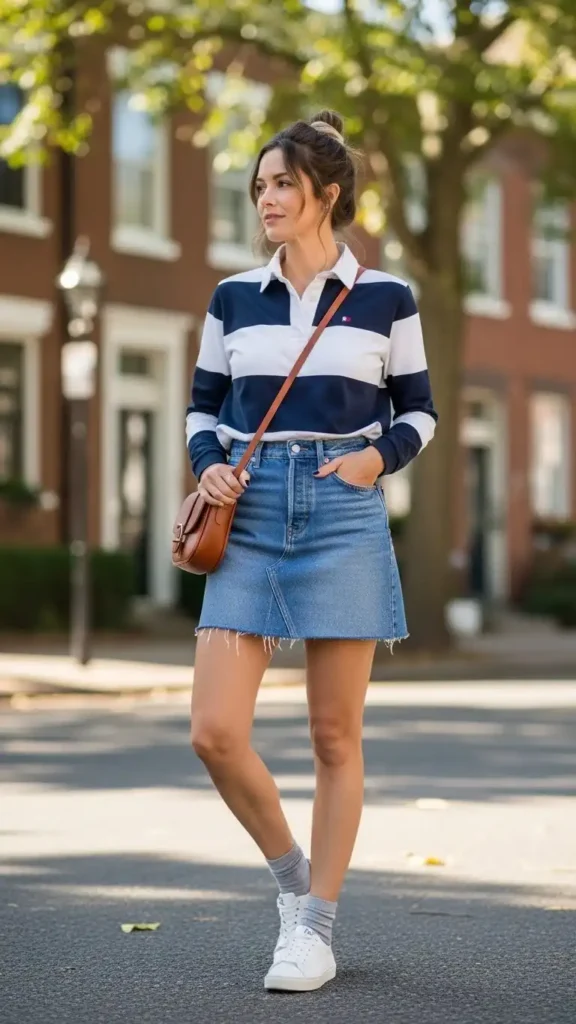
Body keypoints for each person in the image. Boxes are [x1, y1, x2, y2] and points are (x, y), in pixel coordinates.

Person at [185, 109, 437, 992]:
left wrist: (377, 458)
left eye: (283, 183)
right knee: (215, 731)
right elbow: (202, 410)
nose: (267, 199)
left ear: (327, 194)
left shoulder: (387, 298)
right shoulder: (231, 299)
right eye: (259, 187)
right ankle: (293, 881)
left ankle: (316, 929)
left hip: (341, 508)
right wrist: (210, 468)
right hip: (249, 517)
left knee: (335, 732)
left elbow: (419, 410)